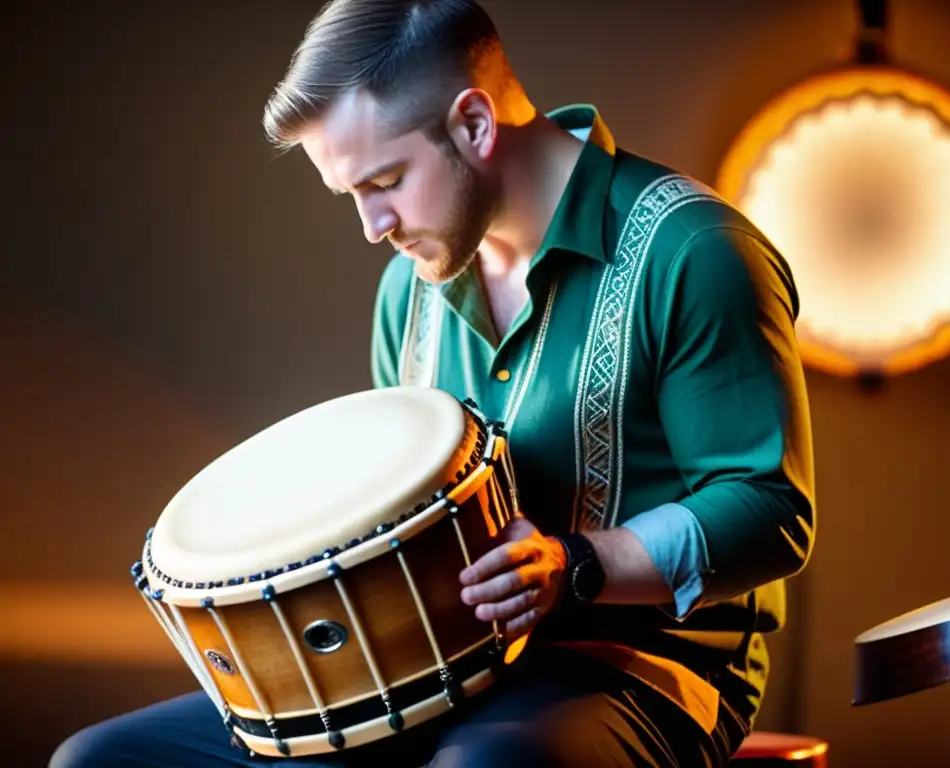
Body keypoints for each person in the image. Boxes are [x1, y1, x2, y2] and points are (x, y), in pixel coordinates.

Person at [50, 1, 815, 766]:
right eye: (351, 193)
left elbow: (770, 511)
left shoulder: (696, 253)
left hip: (646, 673)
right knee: (97, 760)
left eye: (385, 180)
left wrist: (575, 564)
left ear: (475, 124)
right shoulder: (405, 291)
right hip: (435, 670)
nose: (372, 225)